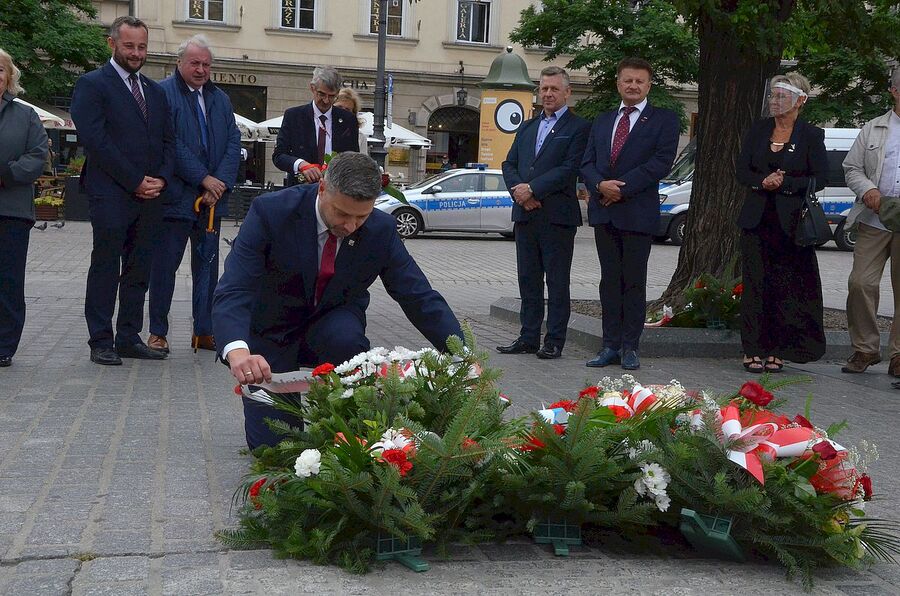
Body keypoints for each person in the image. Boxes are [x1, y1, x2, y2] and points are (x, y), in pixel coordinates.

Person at [212, 152, 463, 450]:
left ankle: (346, 420)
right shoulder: (271, 212)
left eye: (362, 216)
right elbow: (236, 287)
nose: (351, 226)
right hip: (270, 332)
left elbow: (417, 295)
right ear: (322, 189)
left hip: (334, 326)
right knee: (276, 448)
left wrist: (463, 355)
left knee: (354, 434)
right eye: (342, 214)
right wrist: (238, 352)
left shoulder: (381, 229)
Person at [70, 16, 175, 365]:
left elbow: (168, 142)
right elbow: (95, 140)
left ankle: (128, 336)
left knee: (139, 268)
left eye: (142, 46)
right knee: (105, 266)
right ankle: (101, 340)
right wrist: (134, 181)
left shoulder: (156, 92)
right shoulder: (92, 84)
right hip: (111, 193)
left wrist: (160, 178)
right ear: (112, 43)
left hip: (150, 197)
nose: (136, 53)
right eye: (129, 46)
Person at [580, 57, 679, 371]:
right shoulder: (603, 120)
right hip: (604, 213)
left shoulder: (664, 120)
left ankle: (630, 348)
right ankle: (609, 345)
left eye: (639, 81)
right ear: (618, 83)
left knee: (633, 282)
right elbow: (586, 163)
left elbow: (661, 163)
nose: (633, 86)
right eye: (627, 80)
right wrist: (600, 185)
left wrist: (620, 189)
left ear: (649, 85)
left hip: (636, 212)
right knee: (609, 281)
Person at [148, 35, 241, 355]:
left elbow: (232, 142)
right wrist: (203, 178)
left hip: (212, 202)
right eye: (195, 63)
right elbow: (169, 143)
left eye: (206, 64)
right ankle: (158, 331)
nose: (201, 69)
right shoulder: (162, 93)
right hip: (175, 198)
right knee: (164, 268)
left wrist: (220, 184)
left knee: (207, 268)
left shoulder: (221, 98)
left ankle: (204, 330)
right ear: (179, 63)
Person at [735, 72, 827, 372]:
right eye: (773, 96)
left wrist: (784, 184)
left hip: (791, 226)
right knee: (754, 285)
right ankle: (752, 348)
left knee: (784, 287)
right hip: (757, 221)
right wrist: (763, 181)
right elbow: (741, 171)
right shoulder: (759, 130)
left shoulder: (810, 135)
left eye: (781, 96)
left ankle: (777, 349)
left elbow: (821, 178)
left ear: (799, 101)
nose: (775, 101)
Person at [497, 66, 590, 360]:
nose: (547, 94)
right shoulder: (526, 126)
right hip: (525, 215)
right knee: (528, 280)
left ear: (567, 92)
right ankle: (528, 337)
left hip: (557, 217)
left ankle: (554, 340)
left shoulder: (578, 128)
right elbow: (509, 164)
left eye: (553, 89)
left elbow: (569, 169)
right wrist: (520, 193)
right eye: (543, 88)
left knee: (557, 282)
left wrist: (533, 189)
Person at [841, 69, 900, 376]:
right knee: (860, 282)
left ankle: (899, 355)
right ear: (894, 91)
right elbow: (851, 168)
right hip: (875, 218)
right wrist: (869, 190)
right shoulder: (874, 128)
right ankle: (865, 348)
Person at [0, 48, 49, 368]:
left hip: (11, 210)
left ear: (9, 77)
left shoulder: (25, 115)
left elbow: (38, 154)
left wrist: (6, 174)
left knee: (8, 281)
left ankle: (4, 344)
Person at [272, 66, 360, 186]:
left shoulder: (348, 120)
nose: (326, 100)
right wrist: (301, 165)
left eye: (331, 96)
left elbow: (353, 159)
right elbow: (279, 155)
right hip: (302, 190)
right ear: (312, 88)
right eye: (321, 94)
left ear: (337, 93)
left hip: (336, 191)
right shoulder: (294, 116)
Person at [334, 87, 368, 156]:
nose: (342, 112)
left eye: (347, 110)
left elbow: (362, 162)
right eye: (339, 107)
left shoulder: (360, 137)